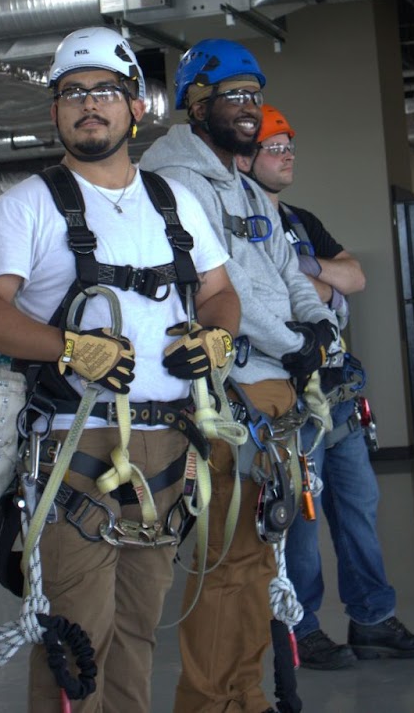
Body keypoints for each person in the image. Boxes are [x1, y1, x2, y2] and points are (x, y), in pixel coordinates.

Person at [0, 27, 240, 713]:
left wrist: (218, 338)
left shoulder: (174, 204)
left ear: (136, 107)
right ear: (55, 111)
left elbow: (219, 291)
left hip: (170, 447)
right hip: (74, 451)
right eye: (73, 93)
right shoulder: (27, 206)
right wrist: (66, 347)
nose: (90, 105)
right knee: (77, 639)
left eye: (106, 91)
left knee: (139, 630)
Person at [138, 39, 339, 713]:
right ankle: (212, 703)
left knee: (255, 563)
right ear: (197, 103)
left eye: (256, 95)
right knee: (222, 564)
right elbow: (226, 295)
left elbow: (289, 272)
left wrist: (320, 333)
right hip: (228, 398)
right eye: (234, 96)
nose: (250, 108)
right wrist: (294, 344)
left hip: (272, 390)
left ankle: (245, 695)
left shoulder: (248, 187)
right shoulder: (174, 183)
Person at [240, 105, 414, 669]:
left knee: (359, 508)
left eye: (290, 148)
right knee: (301, 518)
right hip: (287, 395)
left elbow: (354, 277)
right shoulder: (239, 227)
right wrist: (321, 285)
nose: (288, 157)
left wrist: (307, 268)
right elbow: (280, 301)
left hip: (338, 393)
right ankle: (299, 630)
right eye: (277, 148)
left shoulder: (300, 221)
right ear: (247, 157)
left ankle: (372, 620)